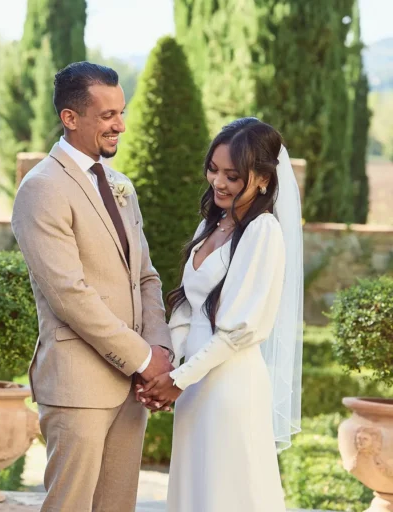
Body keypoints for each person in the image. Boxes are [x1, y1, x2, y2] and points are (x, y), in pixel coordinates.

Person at [11, 61, 175, 512]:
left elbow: (145, 276)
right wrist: (144, 359)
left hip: (132, 388)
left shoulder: (121, 185)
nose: (120, 125)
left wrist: (159, 350)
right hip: (78, 386)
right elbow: (70, 295)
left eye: (121, 113)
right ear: (70, 117)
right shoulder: (42, 188)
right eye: (107, 115)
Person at [138, 117, 304, 511]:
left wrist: (177, 379)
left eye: (233, 176)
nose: (219, 183)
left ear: (263, 179)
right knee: (195, 490)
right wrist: (166, 365)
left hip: (230, 384)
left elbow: (239, 330)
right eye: (213, 170)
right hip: (193, 385)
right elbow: (187, 307)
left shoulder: (263, 232)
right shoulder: (211, 224)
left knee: (227, 492)